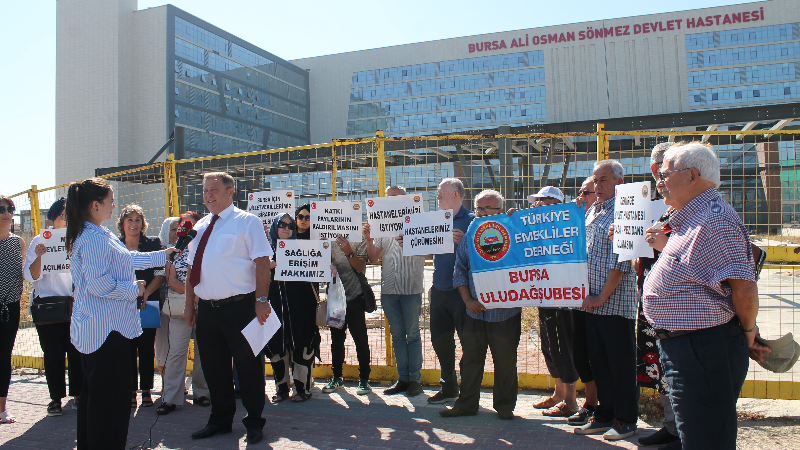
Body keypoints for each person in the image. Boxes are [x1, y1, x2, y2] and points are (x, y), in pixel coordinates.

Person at [642, 143, 770, 450]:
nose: (658, 181)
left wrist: (750, 331)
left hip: (702, 348)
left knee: (707, 440)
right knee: (698, 435)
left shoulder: (714, 220)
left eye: (665, 174)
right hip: (690, 346)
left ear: (693, 175)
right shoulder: (691, 216)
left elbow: (744, 286)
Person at [66, 178, 174, 450]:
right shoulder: (91, 238)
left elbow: (128, 259)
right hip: (104, 332)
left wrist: (164, 256)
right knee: (108, 403)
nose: (114, 205)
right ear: (94, 205)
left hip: (108, 329)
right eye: (110, 201)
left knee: (99, 399)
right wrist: (133, 289)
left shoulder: (100, 233)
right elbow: (98, 285)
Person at [184, 172, 273, 444]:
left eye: (214, 189)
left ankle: (255, 422)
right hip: (208, 311)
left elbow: (261, 262)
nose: (208, 195)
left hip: (241, 308)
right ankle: (220, 420)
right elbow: (190, 268)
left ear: (230, 192)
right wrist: (190, 304)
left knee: (249, 368)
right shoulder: (199, 226)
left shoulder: (247, 222)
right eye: (205, 190)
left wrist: (261, 300)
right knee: (214, 369)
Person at [440, 189, 522, 420]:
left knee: (505, 362)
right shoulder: (469, 236)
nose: (482, 213)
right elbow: (460, 271)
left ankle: (505, 406)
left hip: (506, 313)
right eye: (479, 208)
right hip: (475, 312)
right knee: (471, 361)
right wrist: (468, 300)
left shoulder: (515, 232)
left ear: (500, 211)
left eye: (488, 208)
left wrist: (518, 222)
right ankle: (466, 404)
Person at [574, 160, 639, 440]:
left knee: (620, 365)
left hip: (613, 304)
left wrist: (602, 296)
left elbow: (621, 260)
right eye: (596, 180)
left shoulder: (625, 212)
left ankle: (626, 420)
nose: (598, 185)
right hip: (591, 303)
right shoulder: (594, 211)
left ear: (619, 183)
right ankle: (604, 414)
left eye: (604, 180)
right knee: (599, 362)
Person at [634, 142, 681, 449]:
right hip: (653, 302)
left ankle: (684, 431)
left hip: (684, 308)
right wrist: (626, 240)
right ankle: (672, 427)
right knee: (662, 367)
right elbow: (641, 258)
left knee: (680, 370)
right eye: (665, 166)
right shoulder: (650, 205)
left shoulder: (694, 205)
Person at [523, 187, 581, 418]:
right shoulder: (536, 227)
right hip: (543, 295)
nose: (536, 205)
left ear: (556, 203)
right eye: (535, 202)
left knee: (562, 348)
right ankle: (558, 394)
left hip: (563, 297)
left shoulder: (568, 225)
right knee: (549, 347)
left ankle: (571, 401)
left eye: (541, 201)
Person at [363, 185, 425, 397]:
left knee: (413, 335)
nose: (391, 201)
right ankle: (403, 379)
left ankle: (415, 380)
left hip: (412, 288)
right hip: (389, 290)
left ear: (406, 200)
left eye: (396, 198)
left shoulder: (420, 222)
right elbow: (373, 258)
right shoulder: (381, 226)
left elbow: (431, 251)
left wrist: (412, 241)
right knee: (398, 336)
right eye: (388, 198)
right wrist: (369, 239)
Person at [24, 197, 83, 417]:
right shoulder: (40, 240)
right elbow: (31, 276)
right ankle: (55, 399)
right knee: (53, 355)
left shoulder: (77, 240)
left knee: (77, 352)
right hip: (49, 308)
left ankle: (78, 394)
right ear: (53, 218)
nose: (67, 220)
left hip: (74, 307)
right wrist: (40, 255)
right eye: (63, 216)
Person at [156, 213, 210, 415]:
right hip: (179, 310)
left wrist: (197, 300)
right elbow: (171, 280)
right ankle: (170, 398)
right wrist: (191, 298)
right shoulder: (175, 251)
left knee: (202, 353)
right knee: (176, 352)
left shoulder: (206, 249)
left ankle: (202, 394)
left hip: (204, 308)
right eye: (183, 226)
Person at [428, 178, 475, 404]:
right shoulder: (434, 220)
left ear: (455, 194)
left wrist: (465, 241)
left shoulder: (472, 220)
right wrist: (409, 245)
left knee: (468, 342)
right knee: (440, 340)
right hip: (439, 289)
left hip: (462, 293)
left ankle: (467, 391)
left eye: (441, 192)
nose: (437, 197)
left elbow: (484, 253)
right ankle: (448, 386)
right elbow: (428, 253)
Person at [263, 213, 319, 403]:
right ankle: (281, 388)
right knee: (277, 348)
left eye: (290, 226)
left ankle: (303, 388)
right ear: (275, 228)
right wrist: (265, 267)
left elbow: (317, 270)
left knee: (302, 346)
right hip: (274, 309)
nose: (286, 229)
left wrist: (329, 270)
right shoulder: (264, 252)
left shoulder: (303, 249)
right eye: (282, 225)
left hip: (300, 309)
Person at [118, 204, 164, 408]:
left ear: (143, 223)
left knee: (146, 349)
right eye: (129, 219)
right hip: (122, 305)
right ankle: (129, 391)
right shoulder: (115, 245)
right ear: (122, 223)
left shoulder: (153, 243)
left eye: (138, 220)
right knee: (126, 351)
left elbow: (160, 273)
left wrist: (145, 293)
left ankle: (146, 391)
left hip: (148, 303)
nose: (134, 224)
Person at [320, 231, 371, 395]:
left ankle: (364, 379)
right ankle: (337, 377)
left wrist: (348, 250)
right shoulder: (325, 236)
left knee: (360, 339)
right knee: (336, 339)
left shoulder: (359, 238)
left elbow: (360, 266)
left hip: (354, 296)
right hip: (335, 297)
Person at [567, 176, 599, 426]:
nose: (581, 197)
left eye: (586, 192)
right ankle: (590, 403)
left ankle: (597, 405)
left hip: (600, 301)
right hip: (576, 300)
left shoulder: (605, 219)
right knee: (580, 356)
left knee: (596, 357)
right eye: (580, 192)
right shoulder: (576, 217)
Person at [0, 195, 24, 424]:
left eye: (11, 208)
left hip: (11, 306)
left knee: (4, 356)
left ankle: (1, 409)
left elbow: (25, 274)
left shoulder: (18, 242)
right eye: (2, 209)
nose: (7, 212)